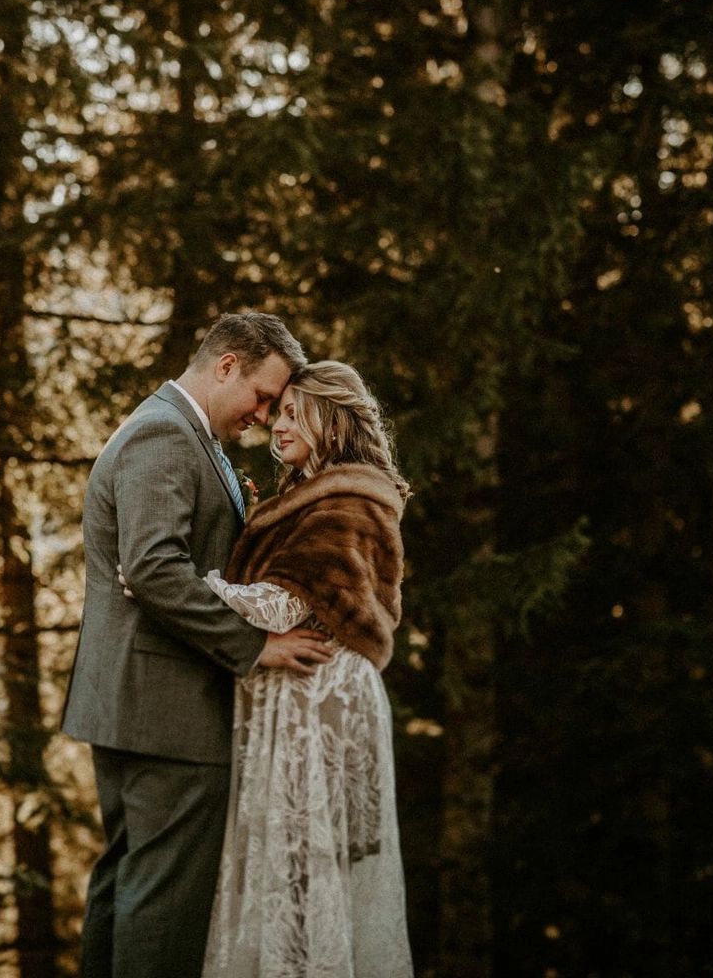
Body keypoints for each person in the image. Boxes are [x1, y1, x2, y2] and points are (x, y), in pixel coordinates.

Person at [60, 313, 334, 978]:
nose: (265, 416)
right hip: (168, 709)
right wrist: (253, 647)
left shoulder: (184, 436)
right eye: (263, 397)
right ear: (226, 366)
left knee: (129, 883)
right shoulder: (164, 435)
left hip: (138, 702)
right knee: (165, 900)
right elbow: (154, 568)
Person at [199, 360, 415, 978]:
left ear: (334, 418)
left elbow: (289, 602)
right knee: (286, 876)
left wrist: (181, 588)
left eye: (295, 412)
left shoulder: (351, 497)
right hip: (292, 694)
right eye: (278, 412)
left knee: (307, 873)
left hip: (319, 696)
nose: (277, 425)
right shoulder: (308, 493)